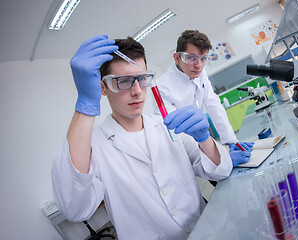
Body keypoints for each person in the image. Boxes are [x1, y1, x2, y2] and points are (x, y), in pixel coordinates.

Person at [51, 35, 234, 240]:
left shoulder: (167, 125)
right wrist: (85, 104)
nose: (137, 91)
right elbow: (74, 209)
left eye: (142, 79)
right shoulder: (93, 146)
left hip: (207, 232)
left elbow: (222, 171)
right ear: (103, 87)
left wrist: (205, 139)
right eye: (124, 81)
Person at [155, 30, 253, 167]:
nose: (199, 65)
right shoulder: (161, 88)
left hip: (203, 139)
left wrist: (232, 141)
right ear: (177, 58)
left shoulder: (200, 73)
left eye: (203, 58)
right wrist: (217, 157)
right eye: (191, 58)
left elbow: (213, 104)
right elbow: (175, 133)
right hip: (182, 150)